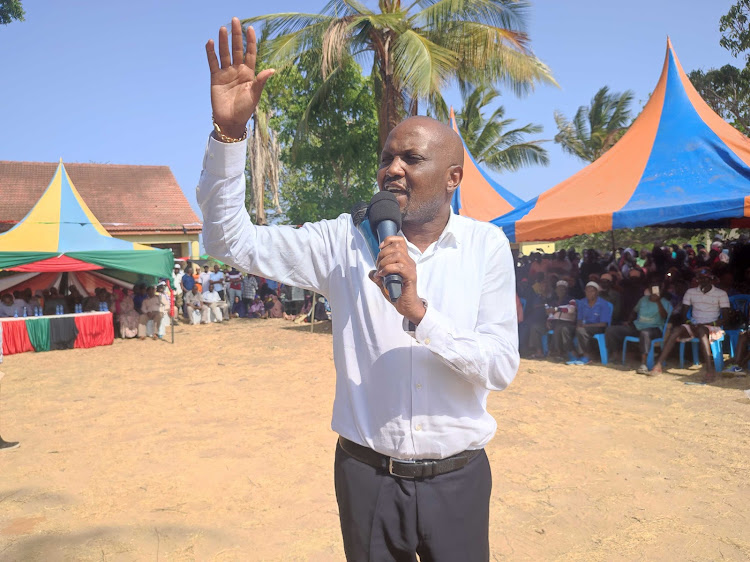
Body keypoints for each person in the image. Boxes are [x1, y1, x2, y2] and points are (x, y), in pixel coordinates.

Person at [198, 18, 519, 561]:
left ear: (453, 178)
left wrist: (419, 313)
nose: (391, 169)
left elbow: (500, 368)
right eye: (387, 158)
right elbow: (230, 240)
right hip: (367, 478)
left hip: (458, 480)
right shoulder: (340, 241)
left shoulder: (485, 246)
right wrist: (230, 136)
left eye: (411, 159)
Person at [650, 269, 730, 382]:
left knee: (702, 331)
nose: (703, 280)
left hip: (712, 326)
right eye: (700, 278)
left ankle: (709, 370)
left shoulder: (721, 294)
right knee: (676, 330)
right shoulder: (690, 292)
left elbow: (726, 318)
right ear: (697, 280)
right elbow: (683, 314)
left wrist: (710, 324)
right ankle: (658, 365)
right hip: (694, 324)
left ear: (712, 279)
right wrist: (689, 323)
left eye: (706, 278)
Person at [605, 286, 673, 374]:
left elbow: (664, 316)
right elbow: (634, 311)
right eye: (652, 289)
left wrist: (658, 302)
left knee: (645, 333)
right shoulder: (643, 299)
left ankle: (643, 364)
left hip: (654, 329)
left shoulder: (665, 302)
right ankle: (614, 354)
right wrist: (629, 321)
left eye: (657, 289)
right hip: (637, 327)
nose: (654, 291)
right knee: (612, 330)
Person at [566, 281, 612, 365]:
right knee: (565, 329)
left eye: (592, 291)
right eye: (587, 291)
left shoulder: (603, 304)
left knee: (581, 331)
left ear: (597, 292)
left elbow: (603, 324)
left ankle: (586, 356)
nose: (589, 293)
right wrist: (578, 325)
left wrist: (585, 326)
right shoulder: (582, 302)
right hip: (584, 326)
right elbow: (579, 319)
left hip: (598, 327)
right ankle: (573, 355)